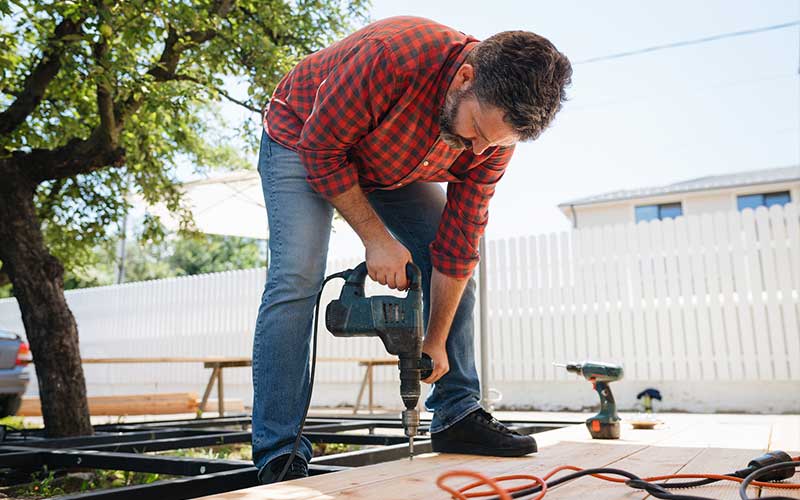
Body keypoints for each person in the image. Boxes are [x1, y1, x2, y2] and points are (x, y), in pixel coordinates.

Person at [252, 15, 571, 484]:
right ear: (466, 78)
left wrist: (435, 339)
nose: (479, 151)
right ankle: (279, 452)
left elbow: (458, 246)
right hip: (302, 136)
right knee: (297, 276)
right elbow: (321, 150)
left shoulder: (492, 139)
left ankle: (458, 414)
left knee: (458, 268)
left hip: (391, 163)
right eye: (477, 132)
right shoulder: (392, 55)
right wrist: (377, 239)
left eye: (494, 144)